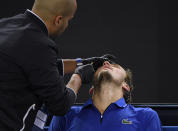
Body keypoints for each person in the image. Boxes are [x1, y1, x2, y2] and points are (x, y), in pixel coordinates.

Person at [0, 0, 116, 130]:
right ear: (59, 20)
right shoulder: (40, 44)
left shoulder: (5, 25)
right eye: (68, 20)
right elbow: (60, 104)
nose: (67, 25)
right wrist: (79, 76)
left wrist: (83, 62)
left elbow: (37, 67)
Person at [48, 61, 162, 131]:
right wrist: (78, 73)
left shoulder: (146, 116)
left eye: (115, 66)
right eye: (101, 66)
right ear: (92, 89)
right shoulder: (67, 114)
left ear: (126, 86)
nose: (106, 63)